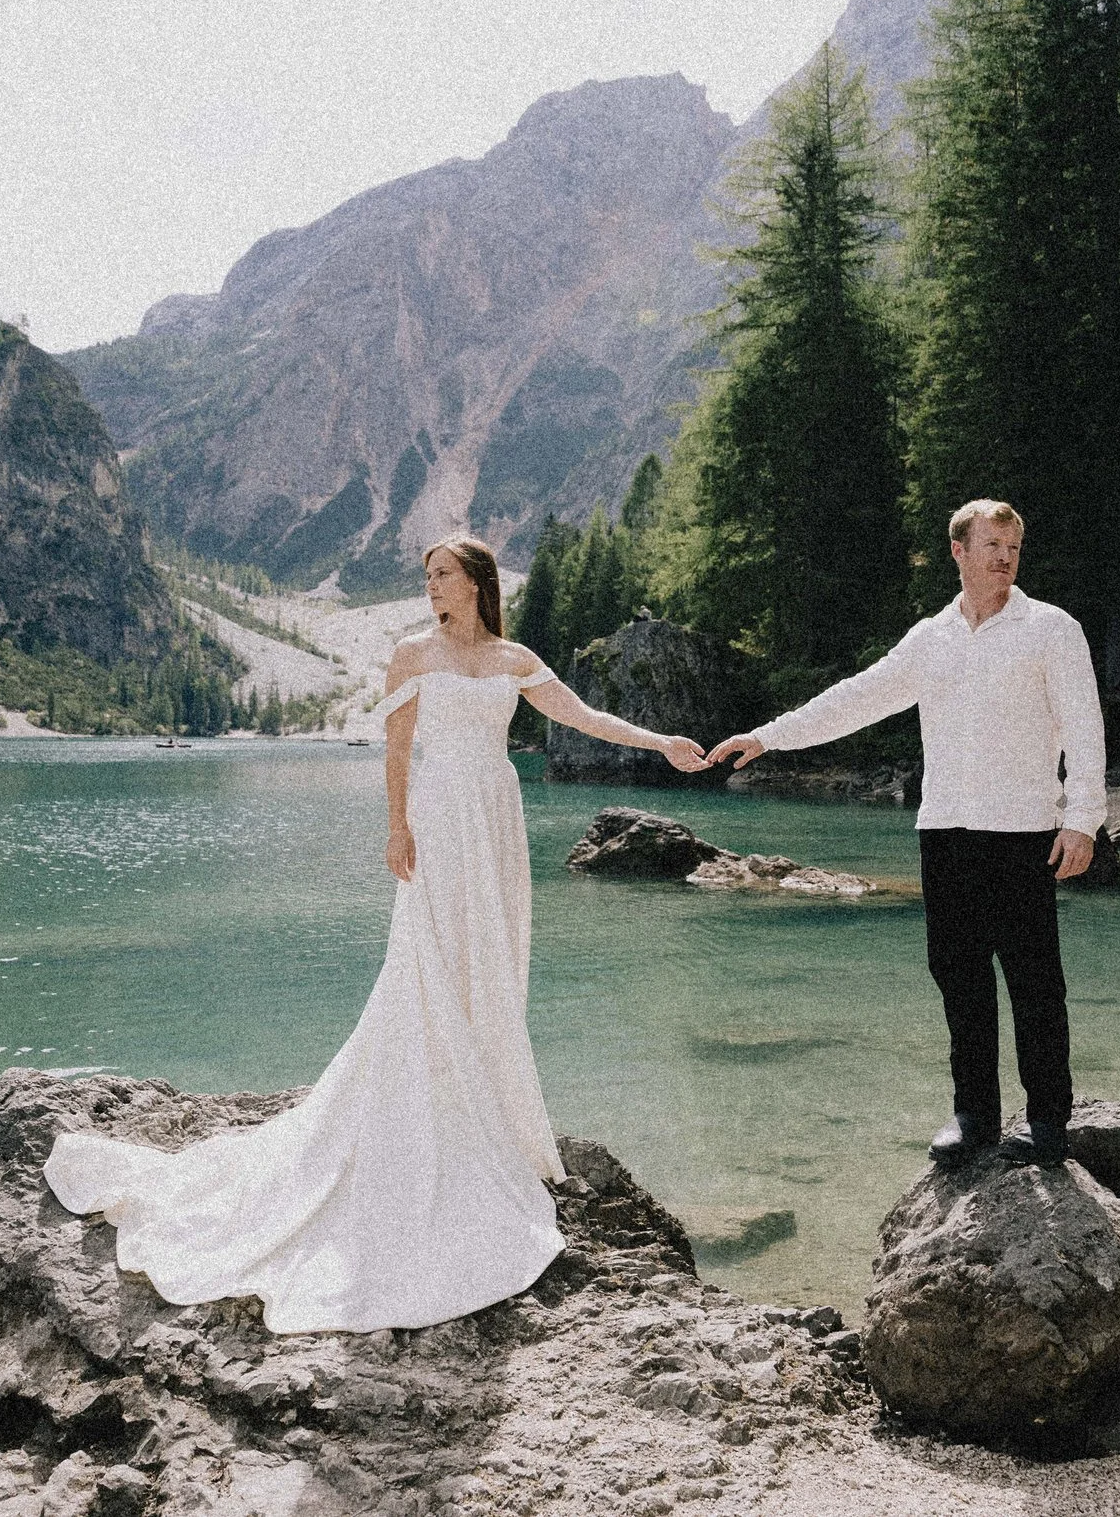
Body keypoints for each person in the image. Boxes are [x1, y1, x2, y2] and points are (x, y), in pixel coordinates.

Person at [43, 534, 707, 1333]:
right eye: (426, 575)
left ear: (477, 583)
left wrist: (660, 742)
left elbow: (586, 716)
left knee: (487, 960)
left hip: (494, 816)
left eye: (443, 575)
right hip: (437, 816)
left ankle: (487, 1107)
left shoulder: (513, 658)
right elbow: (396, 749)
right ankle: (429, 1106)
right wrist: (395, 826)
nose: (432, 587)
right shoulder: (410, 654)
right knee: (426, 962)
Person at [709, 499, 1104, 1167]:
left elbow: (1085, 727)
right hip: (944, 830)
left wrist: (1083, 819)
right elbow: (856, 697)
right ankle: (974, 1114)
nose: (1005, 556)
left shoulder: (1051, 629)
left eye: (1013, 545)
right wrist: (769, 736)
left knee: (1035, 980)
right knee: (958, 976)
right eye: (992, 544)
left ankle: (1047, 1120)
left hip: (1023, 831)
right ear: (959, 551)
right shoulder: (932, 638)